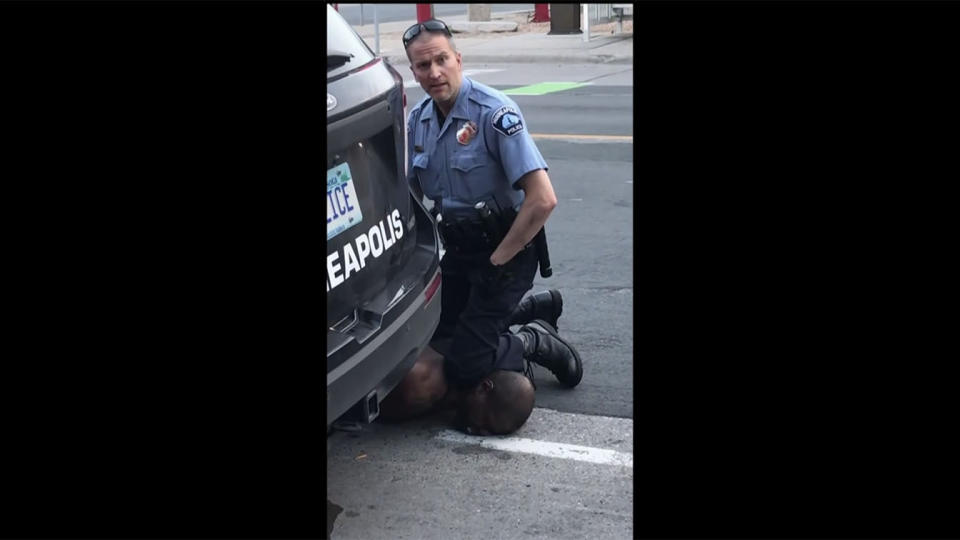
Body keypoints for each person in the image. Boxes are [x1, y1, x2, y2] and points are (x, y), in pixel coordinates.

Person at [379, 19, 582, 435]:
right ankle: (522, 309)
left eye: (441, 60)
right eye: (422, 66)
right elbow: (411, 198)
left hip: (506, 252)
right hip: (458, 252)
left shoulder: (495, 114)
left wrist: (497, 260)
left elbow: (543, 199)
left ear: (458, 59)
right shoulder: (419, 122)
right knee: (436, 334)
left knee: (465, 362)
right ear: (413, 72)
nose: (433, 73)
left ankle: (532, 338)